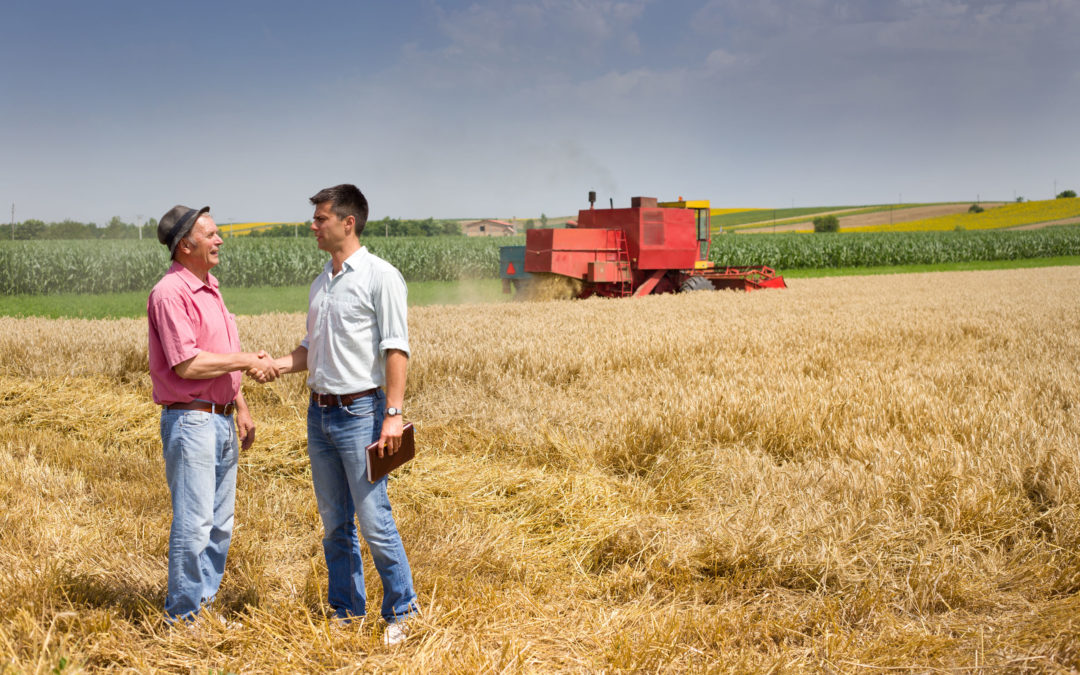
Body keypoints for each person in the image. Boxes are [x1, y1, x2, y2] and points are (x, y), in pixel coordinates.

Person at [270, 184, 419, 645]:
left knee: (374, 518)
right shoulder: (321, 282)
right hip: (319, 415)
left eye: (321, 219)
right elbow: (311, 349)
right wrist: (278, 365)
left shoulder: (381, 276)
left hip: (361, 414)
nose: (313, 226)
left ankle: (402, 611)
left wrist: (392, 415)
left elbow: (396, 348)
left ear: (347, 223)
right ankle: (346, 610)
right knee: (335, 522)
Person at [148, 204, 278, 622]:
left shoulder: (210, 287)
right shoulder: (171, 293)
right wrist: (244, 360)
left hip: (219, 418)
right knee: (195, 524)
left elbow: (217, 354)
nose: (220, 240)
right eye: (212, 234)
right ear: (186, 244)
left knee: (219, 524)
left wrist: (240, 405)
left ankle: (201, 605)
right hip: (192, 421)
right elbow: (187, 365)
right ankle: (183, 617)